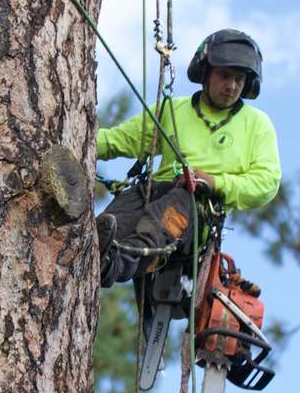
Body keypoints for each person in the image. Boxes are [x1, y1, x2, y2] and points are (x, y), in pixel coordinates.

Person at [96, 29, 281, 288]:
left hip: (197, 209)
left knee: (176, 206)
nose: (232, 86)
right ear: (205, 73)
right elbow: (118, 140)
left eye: (239, 79)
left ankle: (117, 261)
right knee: (117, 216)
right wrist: (77, 138)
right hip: (154, 193)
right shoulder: (174, 110)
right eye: (225, 76)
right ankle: (93, 252)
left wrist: (215, 182)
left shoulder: (256, 124)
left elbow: (267, 182)